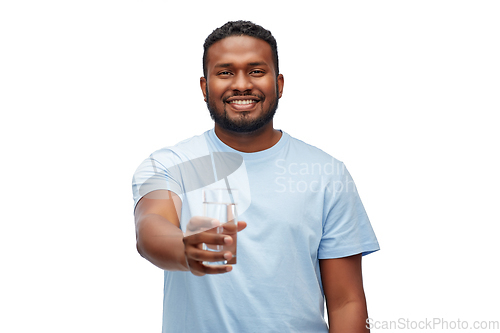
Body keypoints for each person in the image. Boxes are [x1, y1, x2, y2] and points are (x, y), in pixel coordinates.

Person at [132, 20, 379, 333]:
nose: (241, 84)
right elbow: (150, 229)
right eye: (225, 72)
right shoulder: (169, 164)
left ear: (279, 83)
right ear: (204, 87)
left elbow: (347, 302)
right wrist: (185, 248)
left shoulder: (327, 173)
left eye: (256, 71)